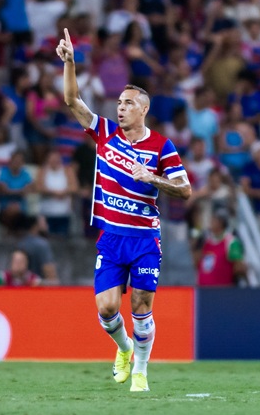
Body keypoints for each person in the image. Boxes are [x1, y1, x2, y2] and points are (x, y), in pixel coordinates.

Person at [57, 28, 191, 392]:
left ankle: (142, 372)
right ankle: (124, 349)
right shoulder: (103, 133)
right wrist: (70, 62)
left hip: (145, 237)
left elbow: (185, 190)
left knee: (142, 307)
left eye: (128, 102)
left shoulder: (162, 147)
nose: (120, 107)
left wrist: (153, 179)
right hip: (112, 236)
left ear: (144, 110)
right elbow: (72, 101)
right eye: (119, 101)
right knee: (106, 309)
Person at [194, 209, 246, 287]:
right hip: (203, 290)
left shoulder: (231, 242)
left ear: (221, 222)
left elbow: (239, 268)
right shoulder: (206, 240)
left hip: (222, 291)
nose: (210, 222)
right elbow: (196, 262)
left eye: (214, 220)